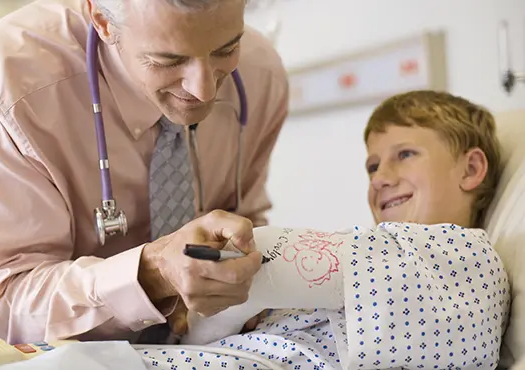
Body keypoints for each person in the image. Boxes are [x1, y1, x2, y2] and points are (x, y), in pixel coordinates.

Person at [0, 0, 289, 346]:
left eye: (226, 50)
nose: (204, 90)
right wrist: (152, 274)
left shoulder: (261, 75)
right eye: (168, 60)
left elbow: (244, 219)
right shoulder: (15, 73)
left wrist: (238, 278)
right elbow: (7, 295)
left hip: (164, 334)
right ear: (103, 21)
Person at [131, 90, 510, 369]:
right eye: (372, 167)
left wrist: (224, 299)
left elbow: (270, 259)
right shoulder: (368, 248)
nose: (380, 179)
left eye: (405, 155)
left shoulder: (467, 256)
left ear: (471, 169)